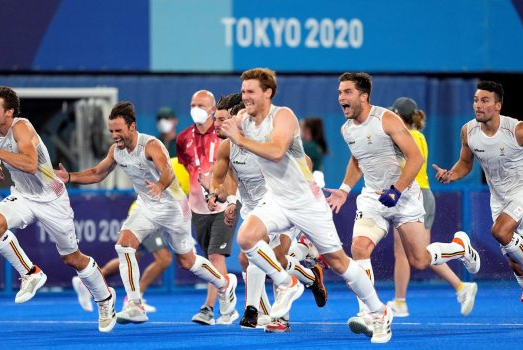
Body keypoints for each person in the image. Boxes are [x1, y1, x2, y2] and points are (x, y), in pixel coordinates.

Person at [219, 68, 392, 344]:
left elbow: (276, 151)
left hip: (306, 200)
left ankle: (379, 310)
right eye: (243, 92)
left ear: (268, 93)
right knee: (246, 238)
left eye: (251, 91)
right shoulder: (242, 118)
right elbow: (226, 137)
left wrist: (238, 138)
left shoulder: (283, 116)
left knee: (339, 263)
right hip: (276, 198)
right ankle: (287, 283)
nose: (245, 97)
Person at [325, 72, 481, 338]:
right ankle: (371, 314)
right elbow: (357, 160)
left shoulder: (386, 119)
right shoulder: (346, 129)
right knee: (359, 247)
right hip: (373, 198)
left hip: (405, 197)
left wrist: (397, 191)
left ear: (364, 96)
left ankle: (459, 248)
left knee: (419, 259)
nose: (341, 98)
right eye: (340, 92)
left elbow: (416, 158)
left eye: (347, 92)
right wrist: (343, 189)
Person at [55, 101, 237, 327]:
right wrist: (70, 177)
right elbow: (96, 173)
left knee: (186, 261)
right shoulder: (116, 151)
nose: (114, 136)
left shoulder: (150, 145)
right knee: (124, 245)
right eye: (111, 131)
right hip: (146, 206)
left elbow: (168, 171)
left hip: (172, 207)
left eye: (118, 130)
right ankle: (134, 304)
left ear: (132, 126)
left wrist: (160, 185)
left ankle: (224, 284)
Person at [0, 86, 117, 333]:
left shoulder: (22, 127)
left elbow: (30, 165)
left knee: (72, 258)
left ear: (9, 112)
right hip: (23, 195)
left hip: (52, 197)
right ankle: (30, 273)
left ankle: (105, 299)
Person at [433, 80, 523, 331]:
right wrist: (451, 174)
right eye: (475, 100)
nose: (478, 105)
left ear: (498, 105)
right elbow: (465, 163)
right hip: (500, 198)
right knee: (516, 263)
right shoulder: (468, 131)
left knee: (501, 232)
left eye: (484, 101)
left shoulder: (519, 130)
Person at [208, 95, 327, 332]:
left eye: (223, 119)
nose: (217, 125)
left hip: (283, 203)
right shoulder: (227, 147)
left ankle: (268, 315)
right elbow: (222, 176)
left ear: (238, 117)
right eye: (216, 119)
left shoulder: (265, 137)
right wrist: (221, 197)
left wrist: (303, 186)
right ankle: (308, 278)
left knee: (266, 256)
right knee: (269, 259)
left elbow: (306, 161)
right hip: (254, 208)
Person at [387, 97, 478, 317]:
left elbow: (405, 167)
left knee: (417, 256)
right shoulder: (412, 135)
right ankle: (458, 287)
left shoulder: (412, 137)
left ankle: (460, 262)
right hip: (410, 196)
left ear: (400, 117)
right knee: (410, 255)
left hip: (416, 197)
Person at [71, 157, 190, 313]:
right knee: (164, 259)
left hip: (159, 218)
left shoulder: (195, 175)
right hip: (146, 216)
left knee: (133, 257)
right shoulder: (172, 164)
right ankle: (134, 298)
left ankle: (85, 281)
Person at [176, 90, 240, 325]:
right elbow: (186, 165)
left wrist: (224, 192)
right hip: (197, 206)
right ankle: (226, 303)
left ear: (213, 109)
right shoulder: (183, 138)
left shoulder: (224, 133)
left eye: (201, 104)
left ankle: (212, 308)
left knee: (215, 255)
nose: (196, 108)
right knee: (206, 258)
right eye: (193, 104)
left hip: (224, 204)